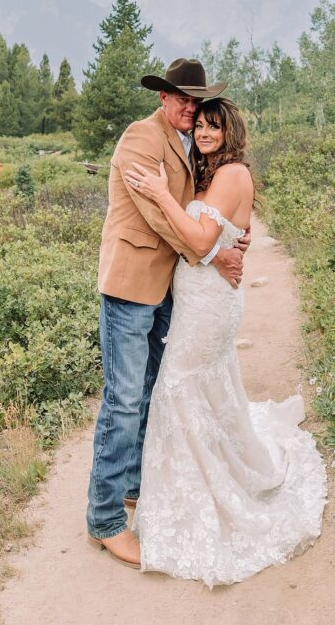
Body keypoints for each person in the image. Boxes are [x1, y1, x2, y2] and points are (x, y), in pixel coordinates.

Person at [124, 97, 327, 587]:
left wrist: (158, 191)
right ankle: (197, 477)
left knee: (177, 385)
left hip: (210, 305)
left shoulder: (232, 173)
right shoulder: (210, 175)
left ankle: (198, 493)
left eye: (215, 126)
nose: (207, 132)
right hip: (198, 297)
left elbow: (196, 240)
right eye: (203, 125)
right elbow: (220, 237)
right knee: (197, 387)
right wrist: (221, 244)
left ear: (230, 131)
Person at [86, 59, 250, 569]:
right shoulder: (140, 138)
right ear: (162, 97)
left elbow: (209, 208)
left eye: (195, 101)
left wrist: (227, 238)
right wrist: (210, 252)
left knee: (151, 390)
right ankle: (106, 519)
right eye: (180, 98)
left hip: (166, 289)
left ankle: (134, 485)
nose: (189, 108)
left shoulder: (188, 145)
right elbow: (157, 212)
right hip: (132, 285)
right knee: (123, 399)